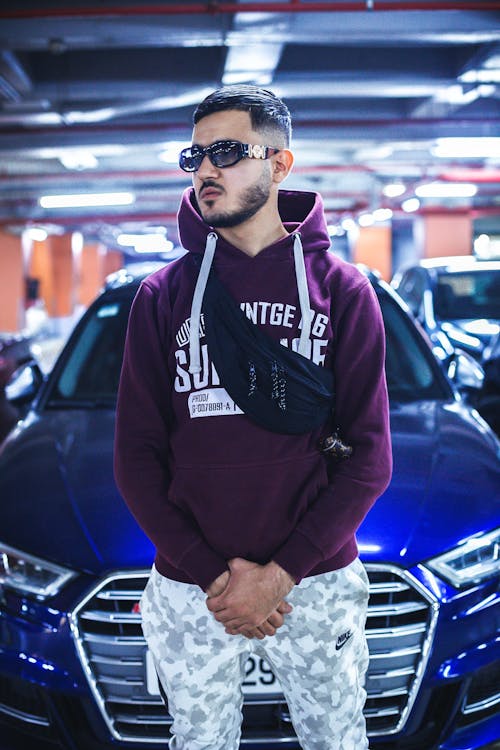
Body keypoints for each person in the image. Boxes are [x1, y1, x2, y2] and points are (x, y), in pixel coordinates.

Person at [114, 84, 392, 750]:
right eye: (197, 155)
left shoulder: (342, 291)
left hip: (315, 582)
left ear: (279, 164)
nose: (207, 169)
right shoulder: (161, 297)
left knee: (336, 739)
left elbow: (369, 457)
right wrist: (217, 577)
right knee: (199, 742)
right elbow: (136, 458)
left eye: (229, 152)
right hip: (192, 589)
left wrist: (281, 574)